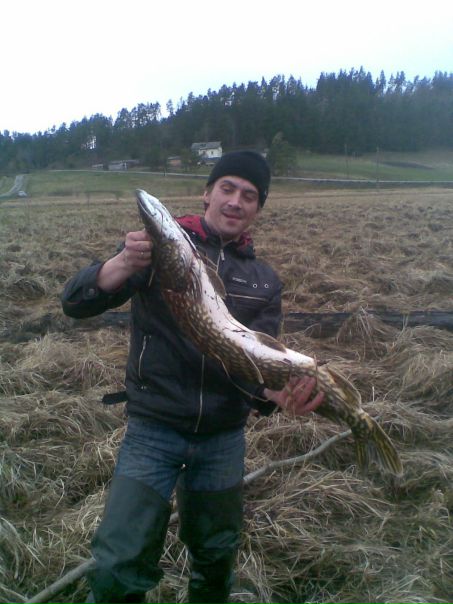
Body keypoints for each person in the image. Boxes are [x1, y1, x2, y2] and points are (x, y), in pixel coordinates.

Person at [62, 150, 324, 604]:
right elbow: (75, 304)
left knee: (216, 556)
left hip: (222, 438)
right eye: (227, 188)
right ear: (207, 193)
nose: (235, 201)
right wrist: (123, 262)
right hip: (153, 430)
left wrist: (277, 395)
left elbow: (256, 365)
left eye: (249, 195)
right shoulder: (158, 252)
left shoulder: (264, 281)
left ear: (257, 209)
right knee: (120, 560)